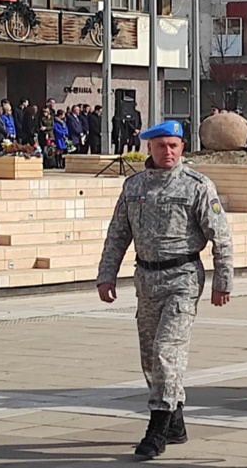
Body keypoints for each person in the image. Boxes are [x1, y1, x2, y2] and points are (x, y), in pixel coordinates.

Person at [96, 120, 233, 458]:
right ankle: (176, 421)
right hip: (146, 278)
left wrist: (223, 280)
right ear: (150, 149)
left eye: (173, 145)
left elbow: (221, 236)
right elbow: (117, 234)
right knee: (149, 357)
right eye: (161, 146)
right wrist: (106, 275)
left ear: (182, 147)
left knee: (166, 352)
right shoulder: (133, 186)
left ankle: (156, 430)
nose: (167, 152)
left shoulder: (197, 185)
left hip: (183, 277)